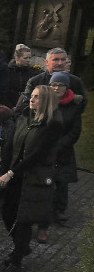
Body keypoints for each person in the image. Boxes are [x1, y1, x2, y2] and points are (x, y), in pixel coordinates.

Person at [0, 85, 63, 272]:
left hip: (34, 177)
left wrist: (10, 173)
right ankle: (22, 248)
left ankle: (16, 262)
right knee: (7, 213)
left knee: (23, 218)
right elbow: (11, 145)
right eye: (31, 96)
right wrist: (4, 169)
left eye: (36, 97)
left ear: (47, 101)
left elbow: (38, 154)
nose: (31, 100)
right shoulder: (25, 117)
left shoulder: (53, 124)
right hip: (15, 175)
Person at [45, 72, 82, 226]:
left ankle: (59, 211)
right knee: (44, 179)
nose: (57, 87)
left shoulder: (74, 106)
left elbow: (75, 130)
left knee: (61, 182)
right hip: (44, 148)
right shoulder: (44, 101)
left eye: (60, 85)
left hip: (64, 150)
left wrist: (60, 145)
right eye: (54, 84)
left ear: (66, 87)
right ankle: (43, 210)